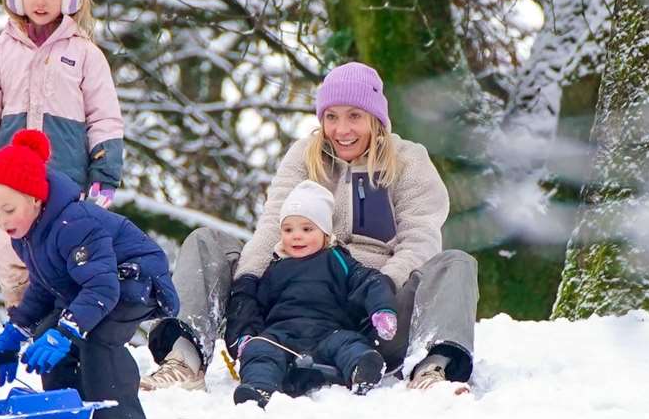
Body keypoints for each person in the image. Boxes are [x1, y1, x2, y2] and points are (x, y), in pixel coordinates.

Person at [141, 61, 477, 393]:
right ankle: (184, 359)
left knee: (455, 262)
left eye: (354, 116)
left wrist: (381, 289)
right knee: (206, 241)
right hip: (294, 301)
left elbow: (420, 238)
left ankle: (433, 369)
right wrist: (247, 286)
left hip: (373, 314)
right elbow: (274, 225)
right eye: (332, 117)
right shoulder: (305, 156)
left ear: (376, 119)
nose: (342, 130)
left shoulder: (408, 161)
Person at [0, 130, 175, 419]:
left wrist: (67, 330)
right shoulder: (27, 234)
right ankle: (68, 418)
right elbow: (44, 286)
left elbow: (102, 288)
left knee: (96, 337)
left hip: (134, 280)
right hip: (90, 288)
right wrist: (16, 333)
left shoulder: (74, 222)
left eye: (8, 209)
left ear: (34, 197)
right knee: (49, 332)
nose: (1, 221)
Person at [0, 0, 124, 307]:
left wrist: (105, 173)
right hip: (10, 180)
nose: (41, 1)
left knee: (64, 250)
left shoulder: (86, 54)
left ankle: (64, 321)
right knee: (12, 253)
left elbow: (104, 117)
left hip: (63, 177)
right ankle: (19, 314)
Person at [225, 180, 400, 407]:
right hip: (281, 334)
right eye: (288, 230)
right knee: (261, 349)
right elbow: (256, 306)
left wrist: (382, 309)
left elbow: (370, 282)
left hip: (329, 332)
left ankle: (362, 369)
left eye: (307, 229)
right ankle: (259, 387)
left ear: (325, 233)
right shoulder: (274, 268)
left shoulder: (337, 260)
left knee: (351, 344)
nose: (296, 236)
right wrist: (247, 336)